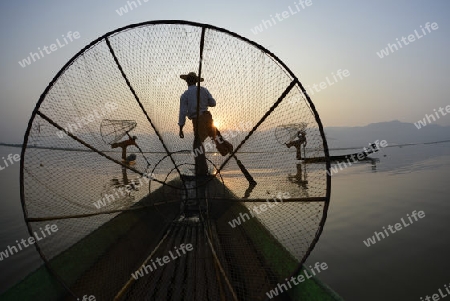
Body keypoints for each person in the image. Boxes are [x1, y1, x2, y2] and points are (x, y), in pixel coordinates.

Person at [178, 72, 218, 175]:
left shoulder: (185, 95)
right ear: (196, 81)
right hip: (208, 119)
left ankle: (202, 171)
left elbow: (182, 113)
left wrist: (181, 128)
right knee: (217, 139)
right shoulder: (203, 90)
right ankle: (226, 149)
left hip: (198, 120)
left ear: (187, 82)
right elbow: (213, 103)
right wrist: (204, 102)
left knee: (197, 146)